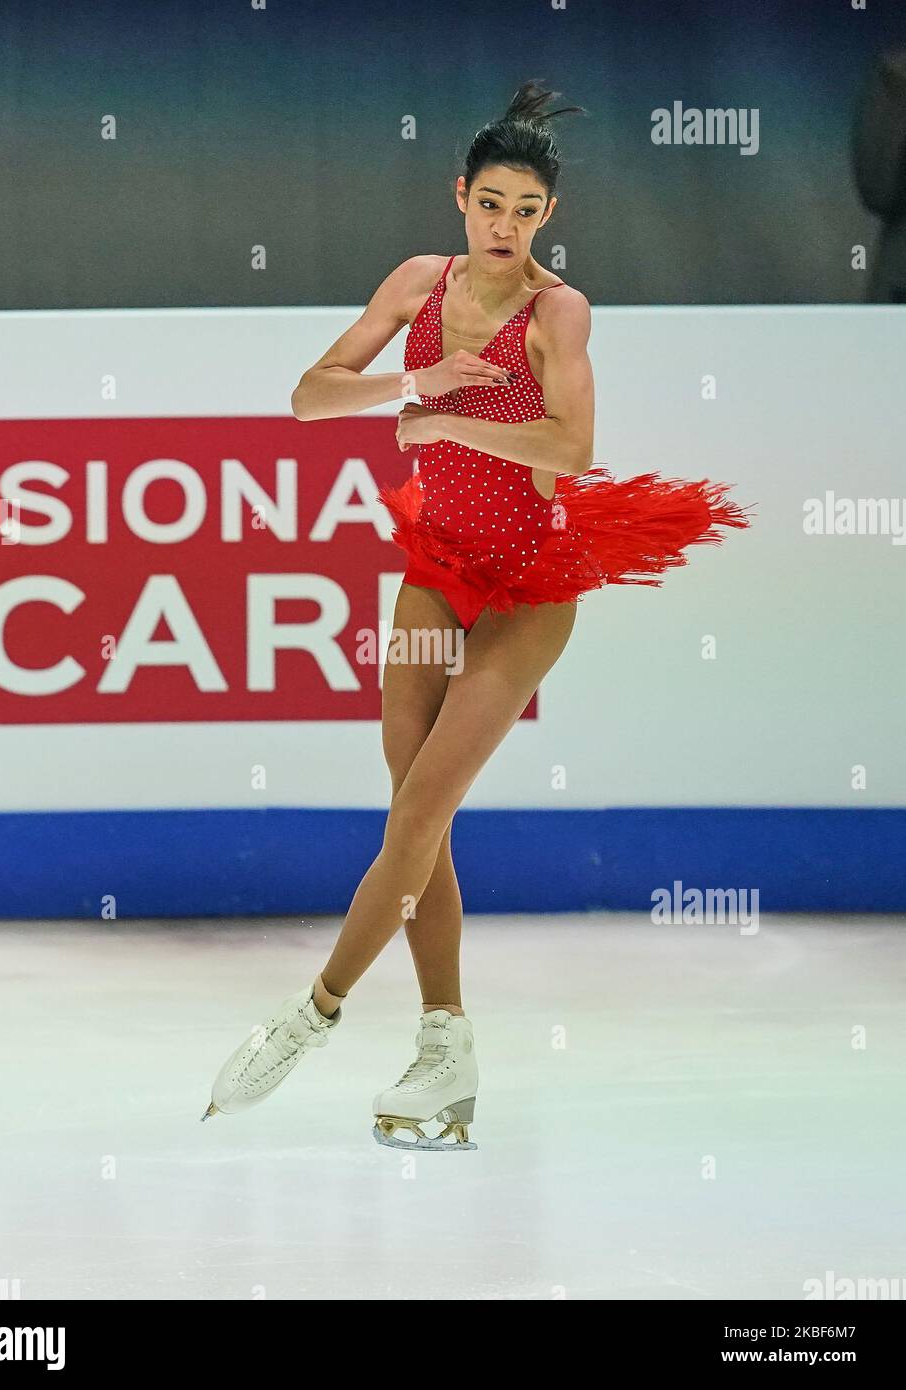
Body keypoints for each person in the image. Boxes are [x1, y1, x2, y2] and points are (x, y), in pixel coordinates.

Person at [201, 81, 752, 1150]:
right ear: (459, 195)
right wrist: (408, 397)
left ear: (550, 217)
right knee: (419, 812)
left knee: (416, 814)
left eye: (527, 210)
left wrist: (447, 410)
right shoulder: (417, 281)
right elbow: (311, 396)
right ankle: (445, 1045)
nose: (506, 226)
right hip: (434, 570)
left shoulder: (557, 310)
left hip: (529, 585)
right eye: (490, 202)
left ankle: (310, 1015)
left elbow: (567, 451)